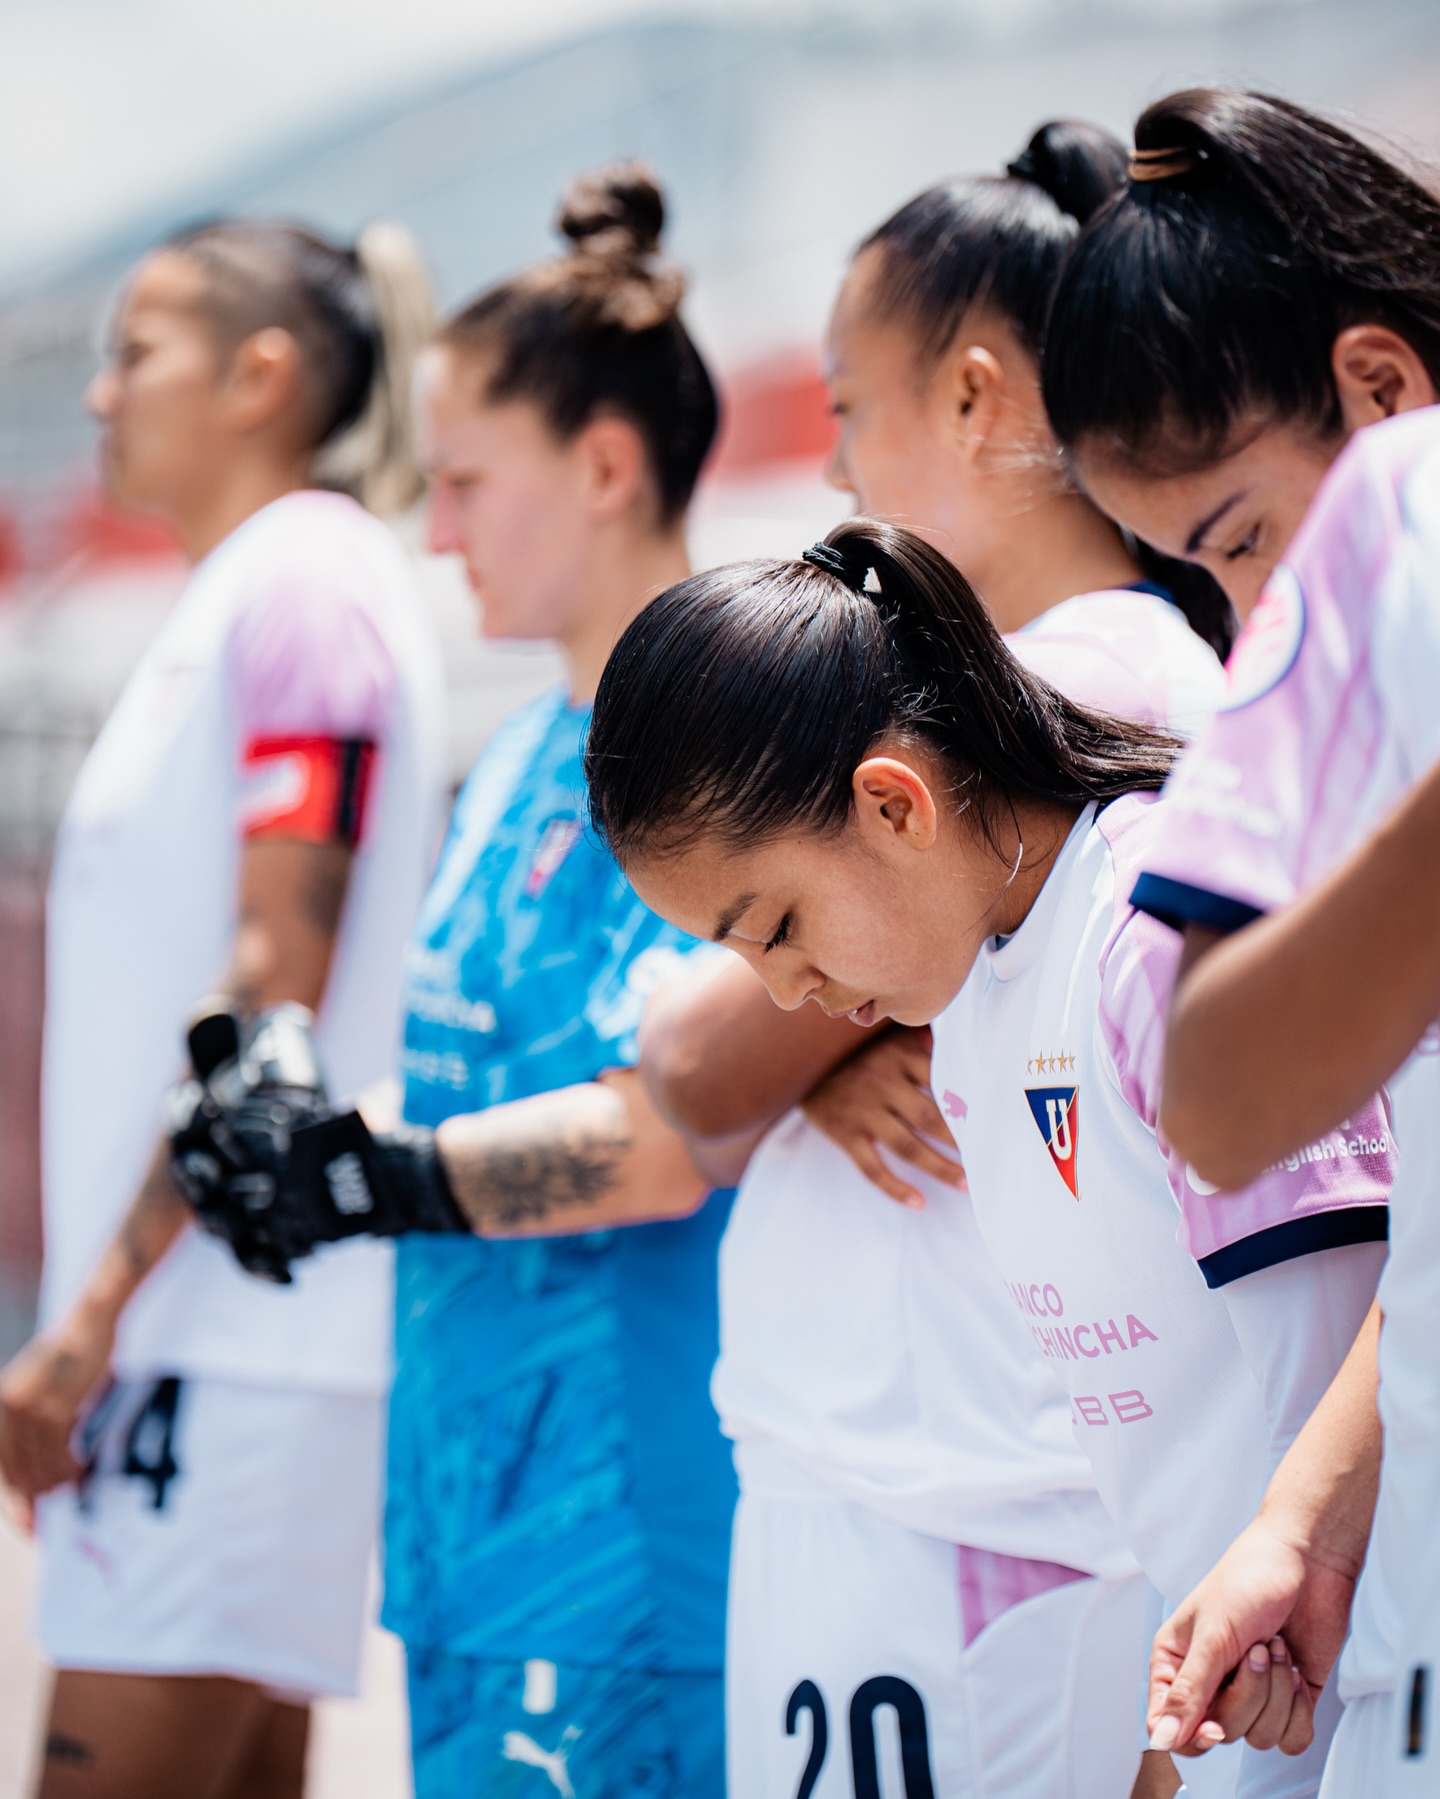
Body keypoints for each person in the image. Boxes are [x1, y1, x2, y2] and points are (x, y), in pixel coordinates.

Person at [583, 516, 1396, 1799]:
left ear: (892, 802)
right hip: (1276, 1703)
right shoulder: (969, 1007)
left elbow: (1390, 1322)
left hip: (1385, 1675)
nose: (788, 993)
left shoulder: (1152, 937)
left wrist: (1301, 1553)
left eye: (779, 927)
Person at [637, 120, 1232, 1799]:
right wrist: (827, 1041)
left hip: (975, 1520)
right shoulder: (1019, 719)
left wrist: (791, 1045)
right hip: (911, 1503)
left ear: (976, 396)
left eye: (848, 405)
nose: (834, 464)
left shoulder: (1092, 685)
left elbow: (692, 1062)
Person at [175, 164, 738, 1799]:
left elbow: (671, 1128)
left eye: (468, 481)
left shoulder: (719, 749)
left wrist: (362, 1176)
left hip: (626, 1548)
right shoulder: (516, 757)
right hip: (467, 1531)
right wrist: (295, 1137)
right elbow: (477, 1090)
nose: (435, 529)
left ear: (606, 466)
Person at [0, 219, 447, 1798]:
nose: (102, 393)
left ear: (261, 375)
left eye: (136, 353)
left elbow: (273, 992)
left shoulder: (306, 581)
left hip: (227, 1345)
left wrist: (89, 1319)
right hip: (216, 1341)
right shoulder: (249, 590)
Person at [1033, 88, 1440, 1786]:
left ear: (1382, 392)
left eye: (1247, 542)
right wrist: (1303, 1514)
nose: (1253, 619)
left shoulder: (1395, 521)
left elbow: (1218, 1088)